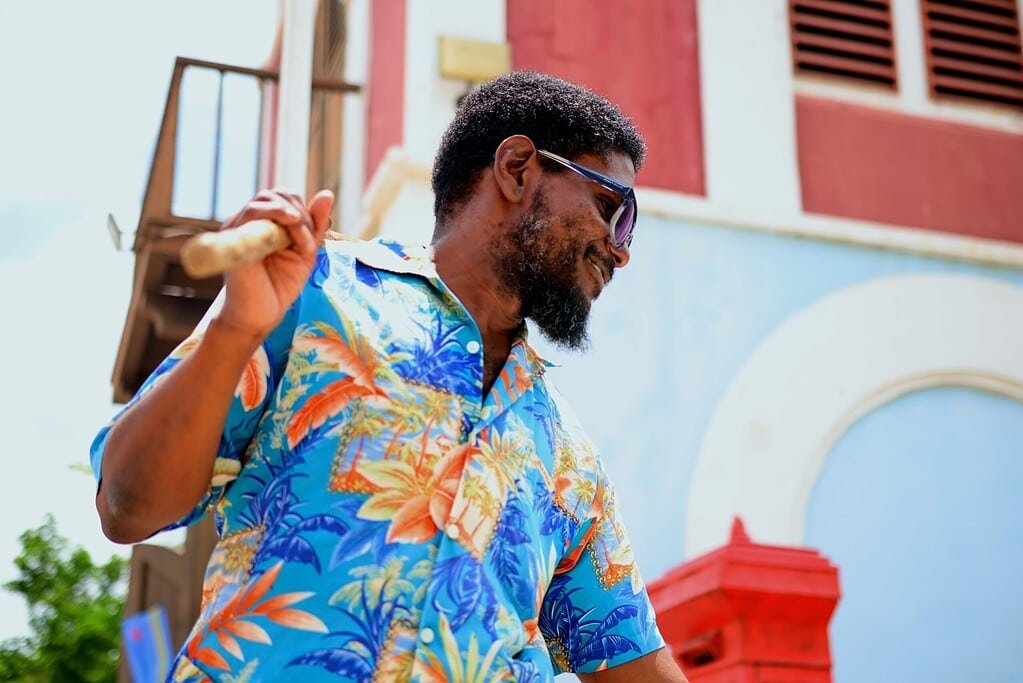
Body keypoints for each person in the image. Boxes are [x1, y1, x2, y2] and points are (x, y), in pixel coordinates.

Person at [91, 71, 687, 682]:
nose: (621, 249)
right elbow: (125, 508)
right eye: (612, 210)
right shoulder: (310, 292)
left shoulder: (570, 456)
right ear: (516, 169)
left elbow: (635, 663)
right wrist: (232, 333)